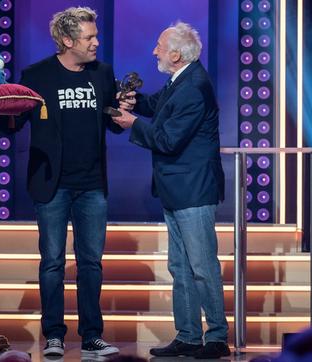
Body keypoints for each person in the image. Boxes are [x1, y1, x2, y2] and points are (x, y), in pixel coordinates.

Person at [0, 6, 124, 357]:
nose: (97, 42)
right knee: (52, 262)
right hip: (52, 184)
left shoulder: (103, 74)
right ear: (67, 40)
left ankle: (92, 334)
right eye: (89, 37)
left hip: (92, 184)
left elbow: (111, 122)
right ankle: (54, 335)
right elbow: (15, 123)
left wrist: (123, 109)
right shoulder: (36, 76)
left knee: (91, 262)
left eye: (96, 35)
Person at [111, 21, 229, 359]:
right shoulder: (181, 80)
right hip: (177, 189)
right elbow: (158, 106)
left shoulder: (194, 87)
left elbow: (168, 139)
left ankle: (217, 337)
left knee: (202, 266)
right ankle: (189, 336)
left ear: (176, 54)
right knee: (180, 267)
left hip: (192, 190)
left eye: (160, 46)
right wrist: (136, 103)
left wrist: (133, 124)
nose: (154, 52)